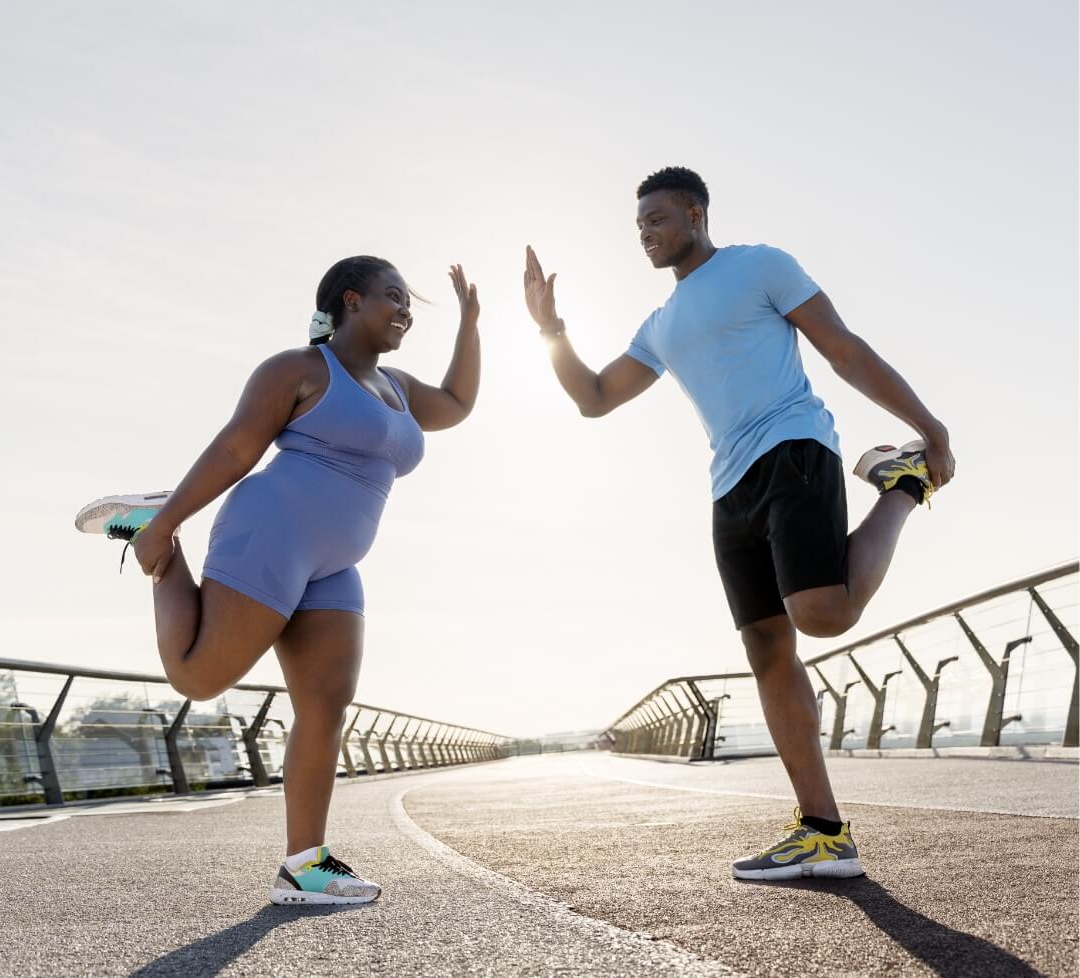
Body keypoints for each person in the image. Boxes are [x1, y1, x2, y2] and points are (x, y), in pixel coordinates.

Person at [523, 166, 955, 881]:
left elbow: (842, 349)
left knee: (822, 616)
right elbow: (595, 398)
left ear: (695, 213)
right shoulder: (658, 326)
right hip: (730, 488)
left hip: (794, 449)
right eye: (638, 227)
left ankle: (902, 488)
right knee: (767, 652)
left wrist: (927, 428)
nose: (646, 235)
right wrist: (550, 329)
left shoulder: (761, 265)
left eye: (657, 220)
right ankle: (822, 830)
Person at [75, 257, 481, 904]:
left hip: (337, 566)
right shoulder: (298, 370)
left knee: (325, 704)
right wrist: (171, 523)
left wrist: (472, 320)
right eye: (393, 298)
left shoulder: (400, 388)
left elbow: (457, 404)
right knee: (197, 678)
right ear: (351, 300)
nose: (405, 311)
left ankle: (304, 867)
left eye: (408, 303)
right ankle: (156, 535)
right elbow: (237, 449)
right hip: (272, 533)